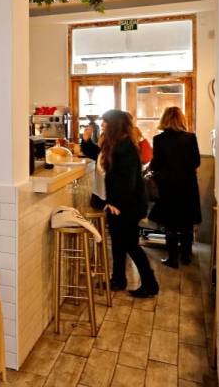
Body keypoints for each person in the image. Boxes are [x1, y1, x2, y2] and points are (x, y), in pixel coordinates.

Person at [81, 110, 159, 298]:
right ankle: (118, 280)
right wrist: (86, 140)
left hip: (127, 205)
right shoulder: (116, 144)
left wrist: (115, 203)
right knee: (118, 243)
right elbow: (99, 157)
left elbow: (128, 181)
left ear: (115, 125)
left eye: (106, 122)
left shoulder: (126, 148)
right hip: (121, 203)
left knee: (130, 244)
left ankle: (150, 284)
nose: (104, 125)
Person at [149, 107, 202, 268]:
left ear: (164, 120)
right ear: (181, 120)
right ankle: (186, 256)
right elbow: (196, 162)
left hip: (168, 187)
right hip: (187, 186)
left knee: (170, 224)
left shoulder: (159, 139)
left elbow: (156, 164)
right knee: (186, 223)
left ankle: (172, 259)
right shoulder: (191, 138)